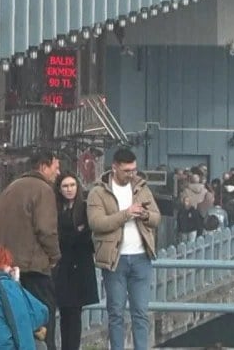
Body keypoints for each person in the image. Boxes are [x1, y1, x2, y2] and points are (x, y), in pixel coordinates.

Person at [87, 148, 159, 350]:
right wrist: (126, 214)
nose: (131, 174)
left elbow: (157, 217)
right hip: (114, 259)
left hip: (141, 257)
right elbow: (97, 223)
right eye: (127, 170)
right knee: (116, 312)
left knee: (141, 312)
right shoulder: (98, 192)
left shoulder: (142, 188)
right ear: (115, 168)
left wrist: (145, 215)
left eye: (134, 170)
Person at [0, 149, 61, 345]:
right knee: (43, 321)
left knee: (16, 321)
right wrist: (54, 256)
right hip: (34, 267)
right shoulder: (43, 189)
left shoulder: (10, 188)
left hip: (7, 267)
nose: (58, 173)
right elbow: (46, 230)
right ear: (44, 167)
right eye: (56, 167)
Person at [53, 173, 98, 350]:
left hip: (80, 267)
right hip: (62, 266)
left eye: (72, 185)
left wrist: (77, 235)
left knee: (75, 312)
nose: (69, 189)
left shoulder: (85, 208)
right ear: (59, 189)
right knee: (64, 312)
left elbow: (87, 236)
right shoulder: (56, 209)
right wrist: (76, 234)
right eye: (65, 186)